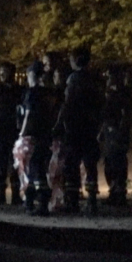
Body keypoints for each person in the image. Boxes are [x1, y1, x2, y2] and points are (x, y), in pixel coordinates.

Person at [53, 46, 103, 214]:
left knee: (72, 165)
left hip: (75, 128)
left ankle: (72, 201)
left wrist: (59, 124)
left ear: (75, 60)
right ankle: (92, 201)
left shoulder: (73, 79)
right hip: (91, 128)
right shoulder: (94, 79)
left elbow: (67, 104)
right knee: (90, 165)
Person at [19, 60, 59, 215]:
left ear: (31, 75)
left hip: (34, 134)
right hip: (47, 133)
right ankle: (31, 202)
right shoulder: (49, 93)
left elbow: (28, 115)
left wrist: (22, 133)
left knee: (34, 167)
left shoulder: (32, 93)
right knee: (38, 166)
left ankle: (41, 203)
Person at [0, 61, 24, 205]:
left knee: (15, 164)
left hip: (15, 132)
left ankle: (15, 194)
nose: (2, 75)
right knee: (0, 165)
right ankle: (1, 194)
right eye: (1, 72)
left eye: (5, 72)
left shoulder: (19, 91)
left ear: (12, 73)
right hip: (0, 132)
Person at [100, 64, 132, 206]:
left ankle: (119, 193)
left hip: (116, 131)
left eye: (110, 76)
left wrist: (120, 130)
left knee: (117, 161)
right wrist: (103, 131)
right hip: (110, 130)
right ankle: (114, 191)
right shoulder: (110, 91)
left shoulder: (122, 93)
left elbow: (125, 114)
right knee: (110, 161)